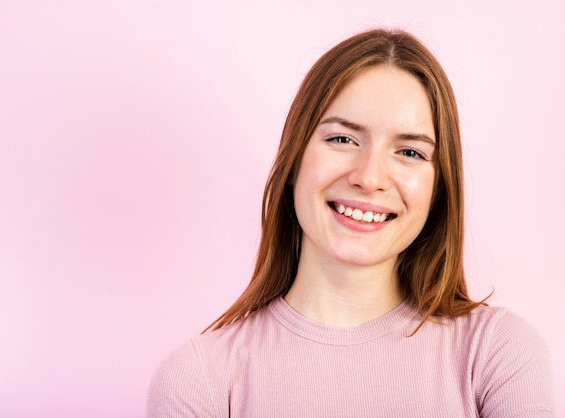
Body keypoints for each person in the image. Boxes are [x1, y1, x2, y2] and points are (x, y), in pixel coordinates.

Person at [147, 28, 554, 417]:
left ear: (438, 189)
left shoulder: (499, 354)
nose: (370, 177)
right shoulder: (200, 381)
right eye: (342, 139)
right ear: (294, 160)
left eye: (410, 152)